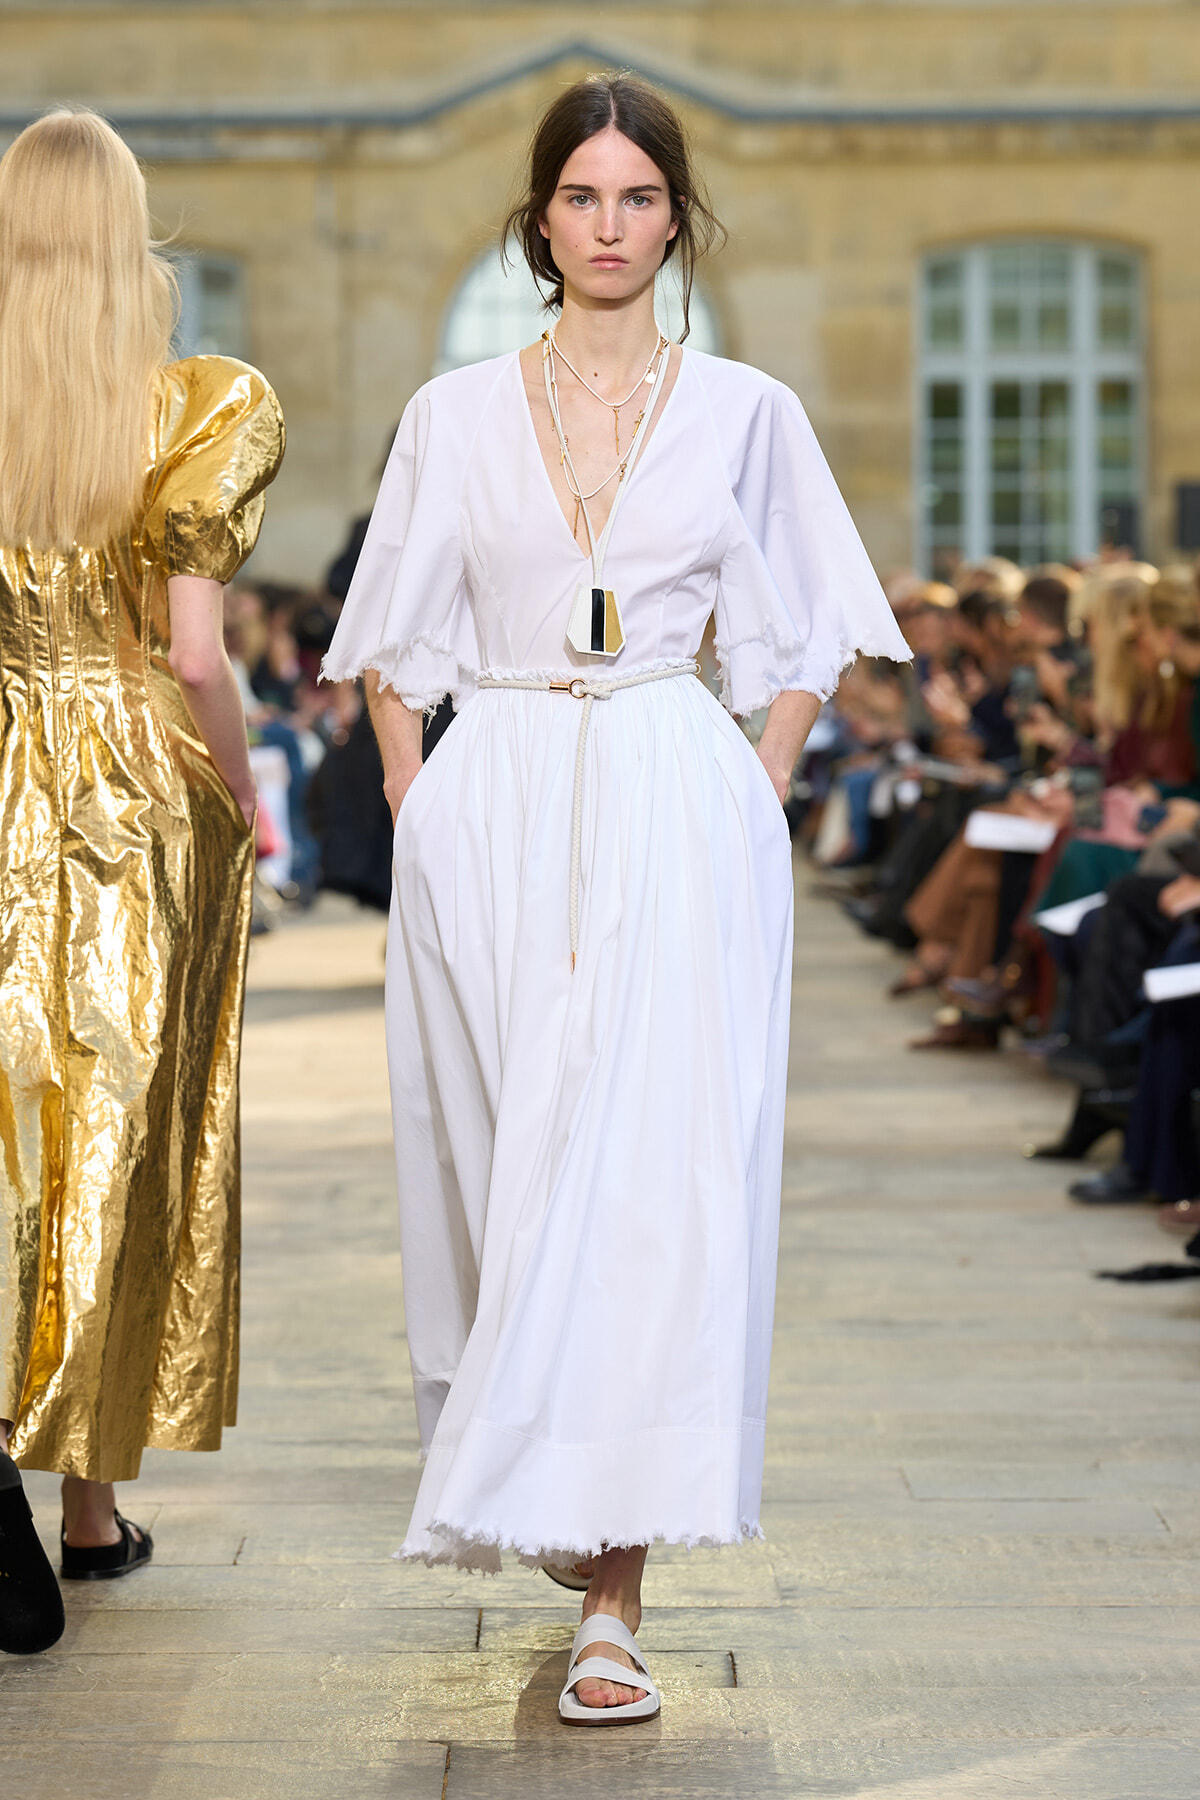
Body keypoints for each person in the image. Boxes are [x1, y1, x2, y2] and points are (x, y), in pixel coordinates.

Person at [322, 72, 909, 1725]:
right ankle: (553, 1504)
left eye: (638, 199)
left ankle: (617, 1599)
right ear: (539, 218)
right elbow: (387, 637)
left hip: (669, 788)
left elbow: (813, 627)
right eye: (580, 198)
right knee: (515, 1166)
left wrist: (756, 784)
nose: (608, 226)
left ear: (677, 218)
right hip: (495, 790)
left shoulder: (746, 412)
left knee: (650, 1180)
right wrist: (411, 797)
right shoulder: (450, 415)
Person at [0, 110, 284, 1654]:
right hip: (124, 789)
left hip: (1, 760)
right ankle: (87, 1513)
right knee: (109, 1129)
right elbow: (191, 654)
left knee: (13, 1130)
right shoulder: (190, 404)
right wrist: (240, 790)